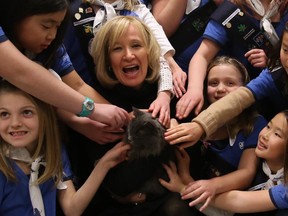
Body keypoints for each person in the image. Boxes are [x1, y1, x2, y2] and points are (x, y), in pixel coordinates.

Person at [74, 16, 197, 216]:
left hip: (173, 198)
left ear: (150, 52)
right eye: (117, 48)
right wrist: (166, 135)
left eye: (136, 45)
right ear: (106, 59)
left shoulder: (172, 90)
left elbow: (188, 161)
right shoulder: (97, 104)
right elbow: (119, 185)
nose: (129, 55)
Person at [0, 79, 130, 216]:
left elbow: (72, 209)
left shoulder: (53, 151)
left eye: (26, 112)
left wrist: (105, 163)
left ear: (45, 116)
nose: (15, 123)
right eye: (4, 114)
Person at [0, 0, 131, 131]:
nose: (52, 35)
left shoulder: (51, 48)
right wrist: (91, 110)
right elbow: (22, 73)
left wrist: (125, 121)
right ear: (17, 15)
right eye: (46, 26)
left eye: (57, 27)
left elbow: (77, 86)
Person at [160, 56, 267, 216]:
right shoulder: (196, 113)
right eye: (213, 83)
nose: (220, 89)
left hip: (228, 201)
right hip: (190, 188)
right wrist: (172, 127)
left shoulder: (255, 123)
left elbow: (246, 172)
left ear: (245, 89)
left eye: (230, 83)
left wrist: (210, 185)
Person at [164, 20, 288, 149]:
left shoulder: (255, 125)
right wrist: (200, 125)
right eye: (285, 49)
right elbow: (238, 99)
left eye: (230, 83)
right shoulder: (273, 74)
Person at [176, 0, 288, 119]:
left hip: (279, 101)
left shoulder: (285, 12)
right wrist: (195, 89)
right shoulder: (230, 11)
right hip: (238, 100)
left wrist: (271, 62)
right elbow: (202, 56)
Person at [160, 110, 288, 214]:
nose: (265, 135)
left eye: (277, 134)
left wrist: (183, 187)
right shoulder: (255, 162)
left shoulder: (283, 186)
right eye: (268, 126)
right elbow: (226, 211)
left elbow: (236, 202)